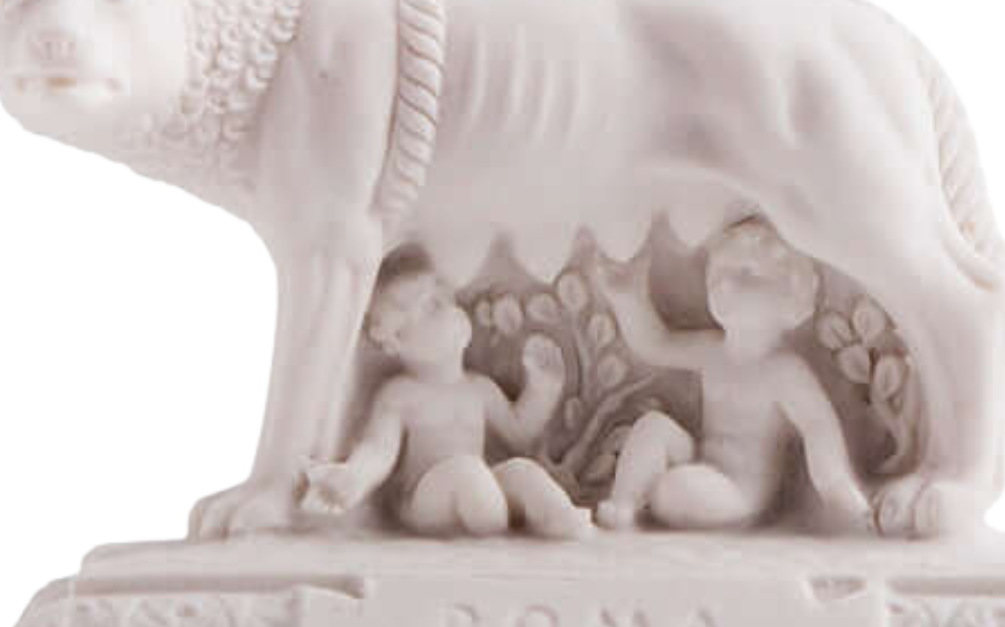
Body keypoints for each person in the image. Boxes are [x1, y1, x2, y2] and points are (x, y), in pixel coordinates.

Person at [593, 218, 871, 531]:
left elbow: (817, 427)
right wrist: (628, 298)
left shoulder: (783, 371)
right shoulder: (713, 350)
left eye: (747, 274)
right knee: (653, 426)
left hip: (738, 493)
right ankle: (623, 505)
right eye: (718, 274)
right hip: (701, 465)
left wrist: (837, 488)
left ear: (790, 300)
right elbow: (656, 345)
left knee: (677, 488)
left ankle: (665, 494)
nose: (724, 285)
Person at [302, 264, 589, 538]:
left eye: (445, 299)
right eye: (432, 307)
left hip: (477, 488)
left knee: (522, 472)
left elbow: (519, 433)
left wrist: (543, 390)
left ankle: (562, 520)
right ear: (396, 342)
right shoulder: (402, 393)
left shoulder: (479, 389)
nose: (451, 310)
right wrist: (356, 475)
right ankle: (492, 535)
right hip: (425, 502)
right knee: (467, 473)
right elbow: (379, 449)